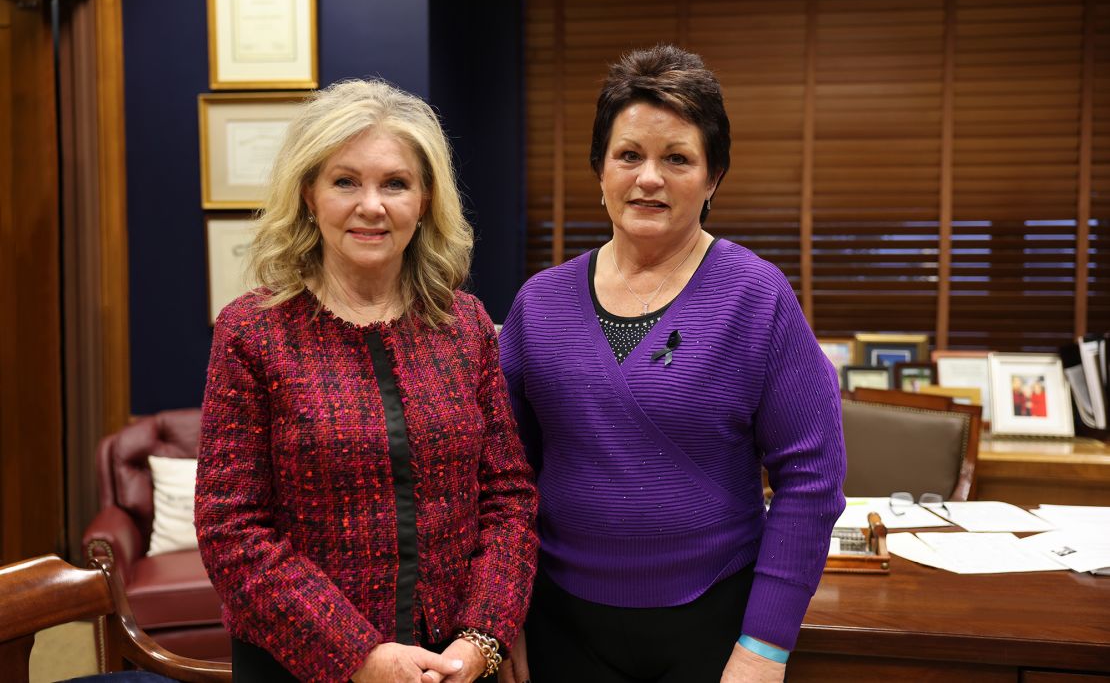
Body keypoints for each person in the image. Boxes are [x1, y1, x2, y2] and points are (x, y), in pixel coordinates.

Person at [498, 45, 846, 683]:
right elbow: (504, 481)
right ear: (599, 169)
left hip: (713, 626)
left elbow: (811, 479)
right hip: (559, 624)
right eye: (628, 155)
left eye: (677, 158)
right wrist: (500, 614)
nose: (648, 178)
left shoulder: (757, 297)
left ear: (713, 178)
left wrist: (765, 647)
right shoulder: (538, 304)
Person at [195, 79, 538, 683]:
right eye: (345, 180)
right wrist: (357, 655)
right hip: (298, 663)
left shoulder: (465, 327)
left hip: (450, 663)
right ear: (309, 193)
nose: (372, 205)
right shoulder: (253, 331)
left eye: (396, 183)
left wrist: (482, 637)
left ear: (426, 198)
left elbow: (507, 499)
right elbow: (232, 528)